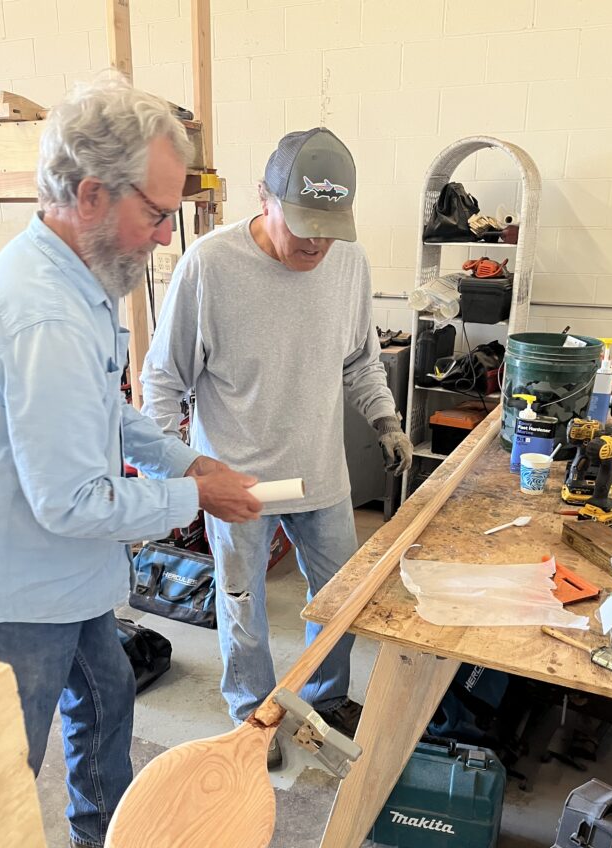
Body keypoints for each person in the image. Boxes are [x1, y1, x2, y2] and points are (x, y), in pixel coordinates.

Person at [0, 72, 261, 848]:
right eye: (158, 213)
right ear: (90, 194)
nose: (167, 237)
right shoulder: (43, 314)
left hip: (55, 570)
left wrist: (185, 459)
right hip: (11, 580)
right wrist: (190, 497)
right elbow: (71, 501)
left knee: (107, 694)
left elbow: (103, 412)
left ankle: (99, 829)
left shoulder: (78, 281)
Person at [141, 127, 412, 769]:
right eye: (303, 224)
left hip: (320, 475)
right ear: (264, 198)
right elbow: (162, 381)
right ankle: (252, 715)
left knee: (340, 600)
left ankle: (325, 696)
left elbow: (360, 360)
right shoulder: (208, 266)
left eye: (329, 226)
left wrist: (386, 420)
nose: (317, 241)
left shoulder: (349, 262)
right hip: (239, 485)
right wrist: (179, 474)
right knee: (242, 607)